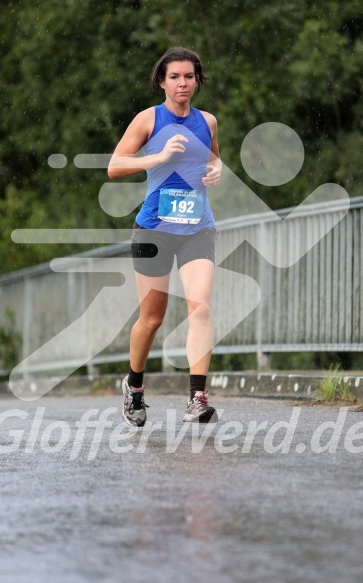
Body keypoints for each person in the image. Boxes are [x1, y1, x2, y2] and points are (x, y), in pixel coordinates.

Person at [108, 47, 222, 427]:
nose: (182, 83)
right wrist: (154, 159)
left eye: (189, 76)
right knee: (152, 318)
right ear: (162, 82)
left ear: (197, 80)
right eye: (174, 77)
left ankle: (197, 397)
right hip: (154, 230)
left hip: (197, 229)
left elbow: (213, 158)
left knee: (200, 307)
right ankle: (134, 387)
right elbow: (115, 165)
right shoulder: (148, 120)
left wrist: (215, 171)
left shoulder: (207, 121)